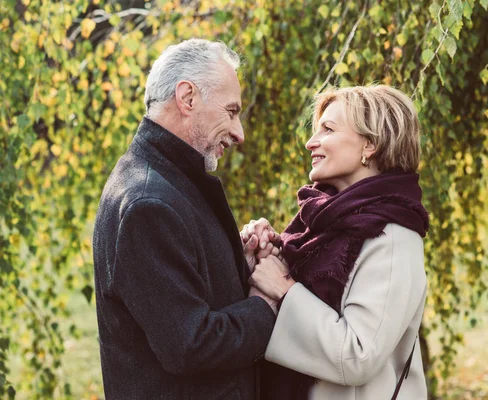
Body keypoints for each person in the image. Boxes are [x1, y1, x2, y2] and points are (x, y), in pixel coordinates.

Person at [93, 39, 279, 399]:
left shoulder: (170, 181)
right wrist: (266, 304)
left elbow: (181, 293)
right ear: (187, 97)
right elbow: (190, 342)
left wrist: (241, 265)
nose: (240, 133)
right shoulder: (146, 204)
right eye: (232, 111)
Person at [242, 85, 430, 399]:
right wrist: (260, 258)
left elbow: (358, 356)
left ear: (370, 145)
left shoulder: (394, 238)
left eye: (328, 130)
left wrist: (285, 287)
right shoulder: (321, 224)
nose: (310, 142)